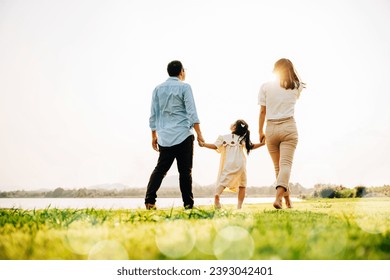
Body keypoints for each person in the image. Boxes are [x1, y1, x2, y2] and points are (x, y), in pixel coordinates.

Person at [145, 60, 204, 210]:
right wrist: (199, 134)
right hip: (183, 134)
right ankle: (188, 204)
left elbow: (153, 114)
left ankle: (150, 201)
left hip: (164, 137)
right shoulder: (185, 87)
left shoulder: (157, 89)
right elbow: (192, 112)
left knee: (160, 170)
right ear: (181, 71)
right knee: (185, 172)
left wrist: (153, 135)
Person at [258, 58, 305, 209]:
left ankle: (288, 202)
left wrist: (260, 131)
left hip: (270, 128)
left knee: (278, 168)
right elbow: (296, 86)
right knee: (285, 165)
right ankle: (278, 199)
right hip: (288, 127)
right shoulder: (296, 86)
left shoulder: (265, 87)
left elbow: (263, 111)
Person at [199, 119, 264, 209]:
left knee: (223, 182)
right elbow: (251, 146)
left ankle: (217, 195)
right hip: (241, 164)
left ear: (234, 127)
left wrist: (204, 144)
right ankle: (239, 206)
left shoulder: (223, 137)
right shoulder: (242, 138)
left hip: (229, 164)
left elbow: (215, 146)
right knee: (242, 185)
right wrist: (262, 144)